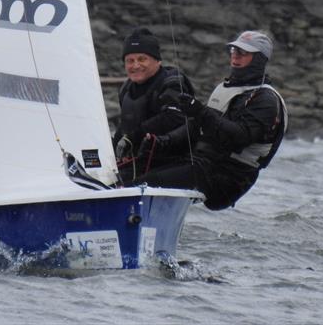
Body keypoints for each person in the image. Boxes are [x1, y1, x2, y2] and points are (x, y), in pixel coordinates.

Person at [134, 30, 288, 210]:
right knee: (135, 170)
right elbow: (196, 127)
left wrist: (200, 111)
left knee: (146, 183)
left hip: (229, 177)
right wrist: (163, 142)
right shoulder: (227, 87)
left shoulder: (265, 99)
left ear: (259, 59)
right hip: (204, 163)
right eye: (233, 50)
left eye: (243, 53)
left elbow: (239, 137)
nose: (236, 56)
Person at [112, 27, 195, 181]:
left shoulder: (173, 83)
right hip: (139, 162)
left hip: (173, 163)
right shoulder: (126, 89)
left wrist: (132, 138)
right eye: (130, 60)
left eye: (142, 59)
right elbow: (125, 126)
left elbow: (174, 117)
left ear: (157, 60)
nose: (135, 65)